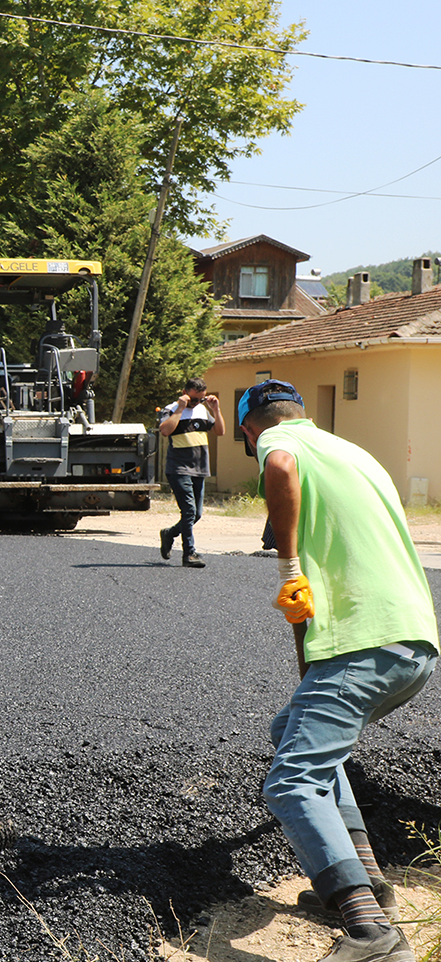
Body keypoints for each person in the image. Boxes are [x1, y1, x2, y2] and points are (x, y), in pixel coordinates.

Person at [239, 379, 438, 962]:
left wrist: (287, 566)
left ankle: (372, 934)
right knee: (292, 733)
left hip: (363, 644)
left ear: (253, 425)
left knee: (290, 781)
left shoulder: (277, 446)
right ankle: (371, 883)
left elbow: (277, 462)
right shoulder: (352, 454)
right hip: (413, 642)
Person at [157, 377, 224, 568]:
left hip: (200, 469)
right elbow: (165, 431)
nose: (196, 403)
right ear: (185, 393)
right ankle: (189, 553)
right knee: (188, 511)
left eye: (200, 399)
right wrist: (180, 408)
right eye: (193, 399)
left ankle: (169, 533)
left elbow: (220, 431)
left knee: (196, 515)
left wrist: (216, 410)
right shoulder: (171, 409)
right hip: (179, 468)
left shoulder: (203, 410)